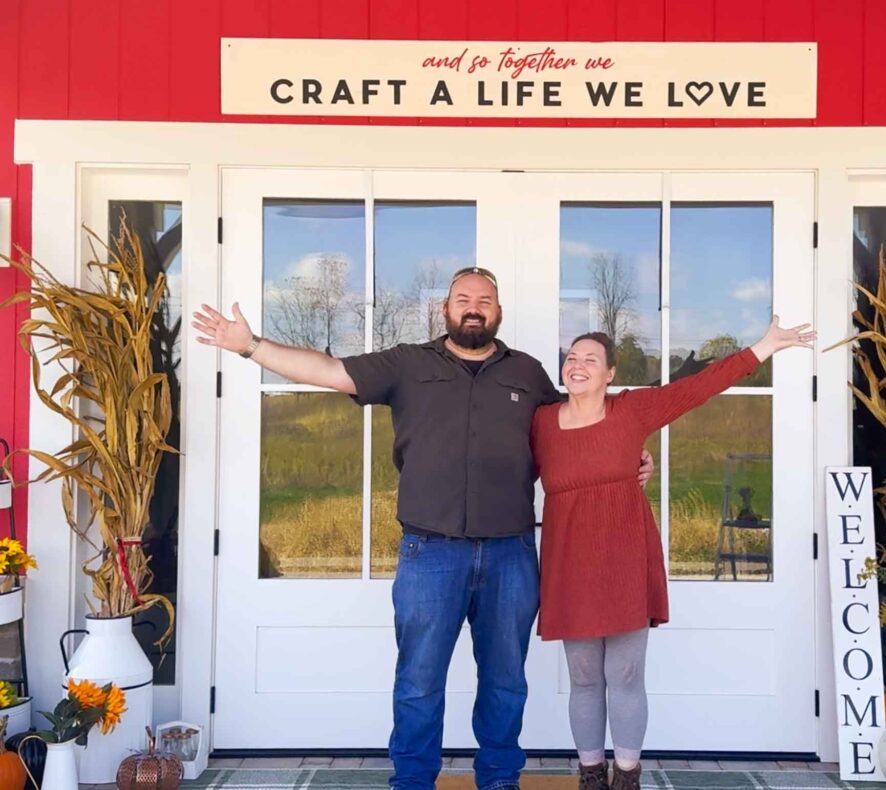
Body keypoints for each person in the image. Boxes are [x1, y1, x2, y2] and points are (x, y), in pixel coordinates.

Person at [191, 266, 653, 790]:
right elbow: (327, 369)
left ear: (498, 312)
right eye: (463, 298)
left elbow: (581, 422)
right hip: (429, 553)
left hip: (510, 554)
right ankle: (412, 782)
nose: (473, 306)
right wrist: (250, 345)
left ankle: (499, 781)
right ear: (446, 309)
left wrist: (630, 458)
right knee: (418, 683)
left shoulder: (527, 375)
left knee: (506, 683)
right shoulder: (408, 364)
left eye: (484, 299)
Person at [530, 318, 814, 790]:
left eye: (590, 360)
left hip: (624, 556)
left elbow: (699, 388)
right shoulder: (541, 422)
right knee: (582, 675)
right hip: (569, 562)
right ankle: (590, 774)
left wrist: (762, 347)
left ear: (610, 374)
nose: (577, 366)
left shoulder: (632, 411)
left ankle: (627, 775)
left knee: (624, 672)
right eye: (572, 358)